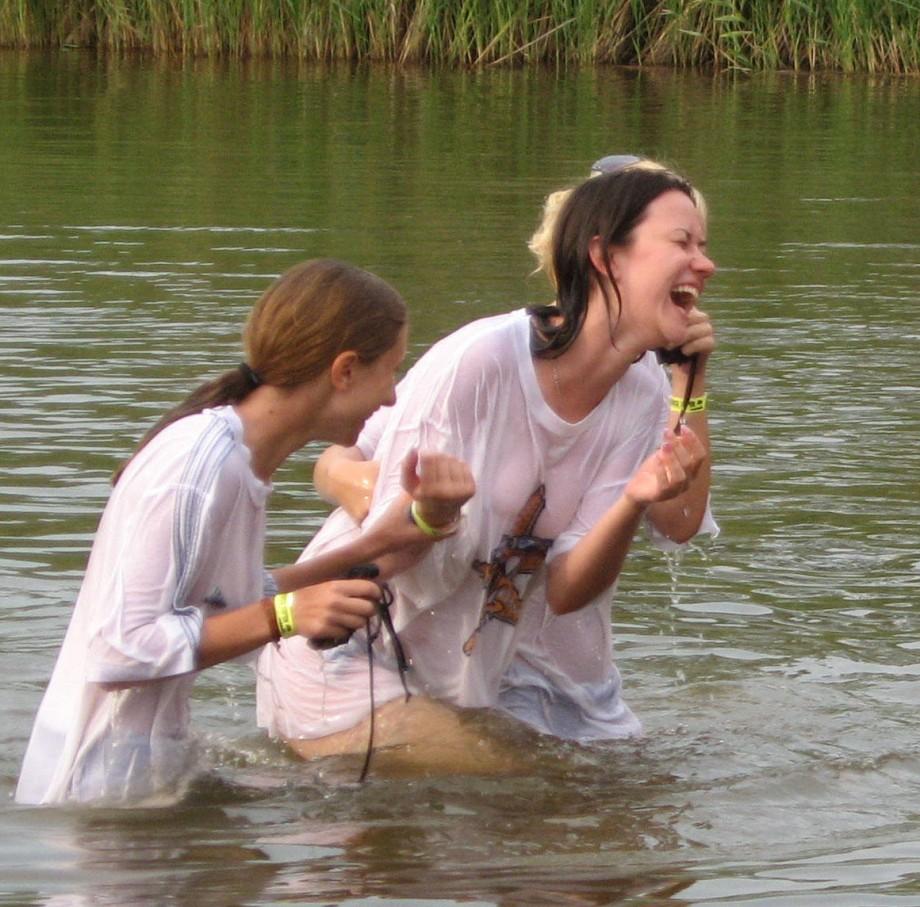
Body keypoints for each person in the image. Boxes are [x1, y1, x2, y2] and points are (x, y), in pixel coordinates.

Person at [256, 160, 717, 762]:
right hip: (344, 647)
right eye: (682, 243)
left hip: (464, 673)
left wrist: (634, 501)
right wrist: (434, 511)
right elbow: (394, 548)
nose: (705, 265)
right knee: (515, 790)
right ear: (605, 256)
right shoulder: (481, 361)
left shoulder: (644, 392)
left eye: (704, 247)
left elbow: (570, 590)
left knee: (614, 800)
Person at [15, 258, 475, 805]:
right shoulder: (199, 466)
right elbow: (120, 649)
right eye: (390, 371)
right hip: (97, 796)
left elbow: (219, 605)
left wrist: (380, 543)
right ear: (345, 369)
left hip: (141, 775)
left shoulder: (241, 463)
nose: (392, 398)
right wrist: (284, 616)